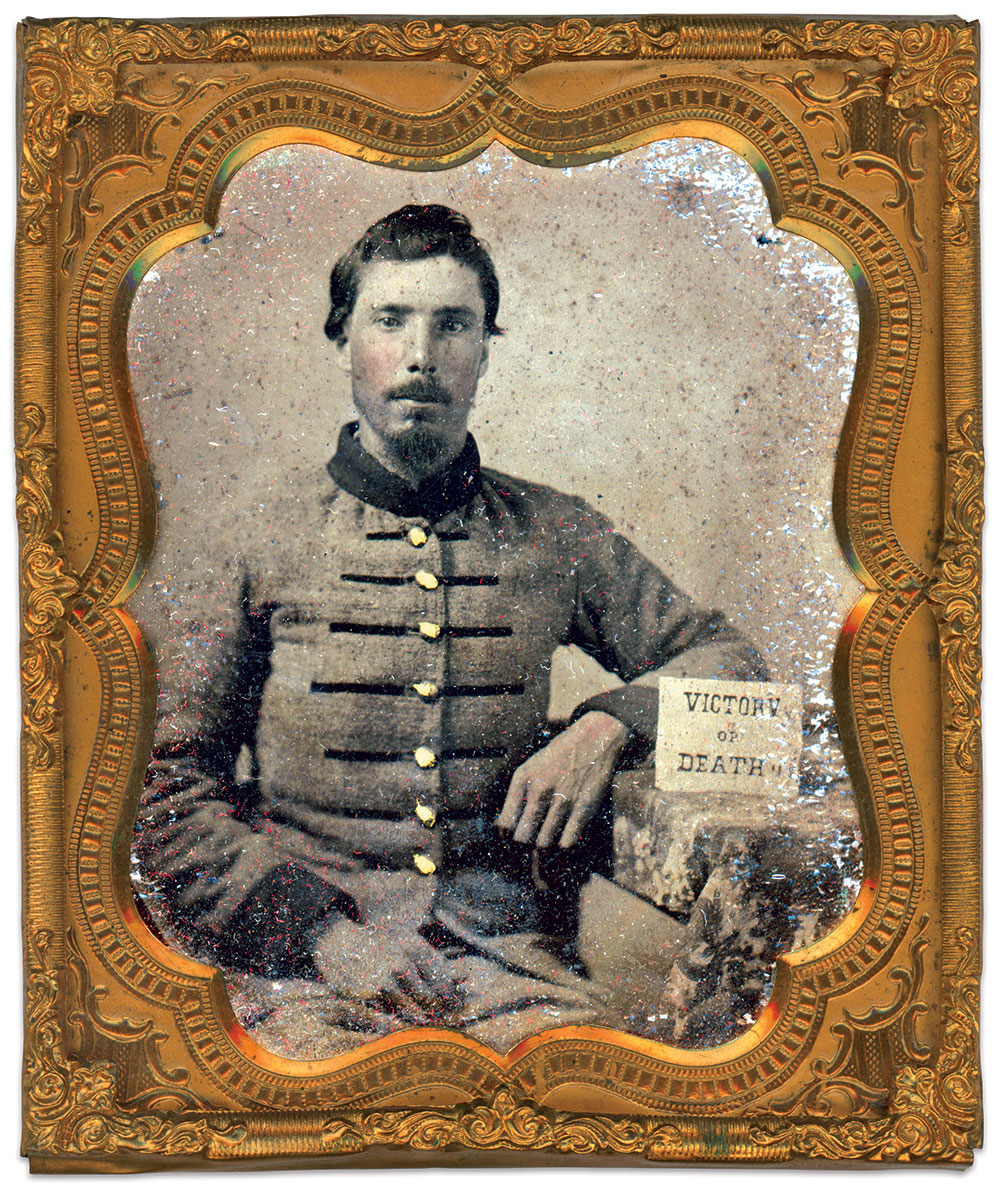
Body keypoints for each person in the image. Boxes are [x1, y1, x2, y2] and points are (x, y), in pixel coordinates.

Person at [135, 204, 766, 1054]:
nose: (421, 356)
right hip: (300, 979)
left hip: (514, 976)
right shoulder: (258, 540)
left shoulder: (553, 532)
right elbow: (162, 795)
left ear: (485, 349)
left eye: (453, 325)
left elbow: (736, 666)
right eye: (390, 320)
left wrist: (609, 725)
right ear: (343, 339)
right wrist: (323, 937)